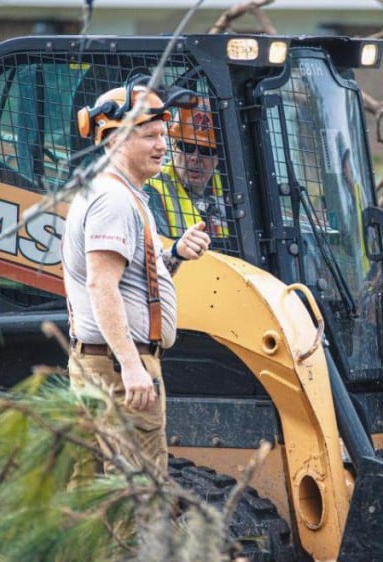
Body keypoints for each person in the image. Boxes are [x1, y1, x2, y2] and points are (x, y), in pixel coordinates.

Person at [64, 84, 210, 477]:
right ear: (114, 139)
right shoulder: (113, 200)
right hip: (117, 367)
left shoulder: (123, 194)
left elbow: (131, 280)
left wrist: (173, 254)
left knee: (97, 495)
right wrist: (131, 365)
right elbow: (101, 285)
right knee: (136, 494)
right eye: (149, 136)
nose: (162, 145)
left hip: (106, 363)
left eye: (163, 135)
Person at [147, 98, 229, 237]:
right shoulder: (153, 191)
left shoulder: (231, 186)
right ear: (173, 147)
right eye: (187, 147)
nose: (195, 158)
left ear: (218, 157)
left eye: (206, 150)